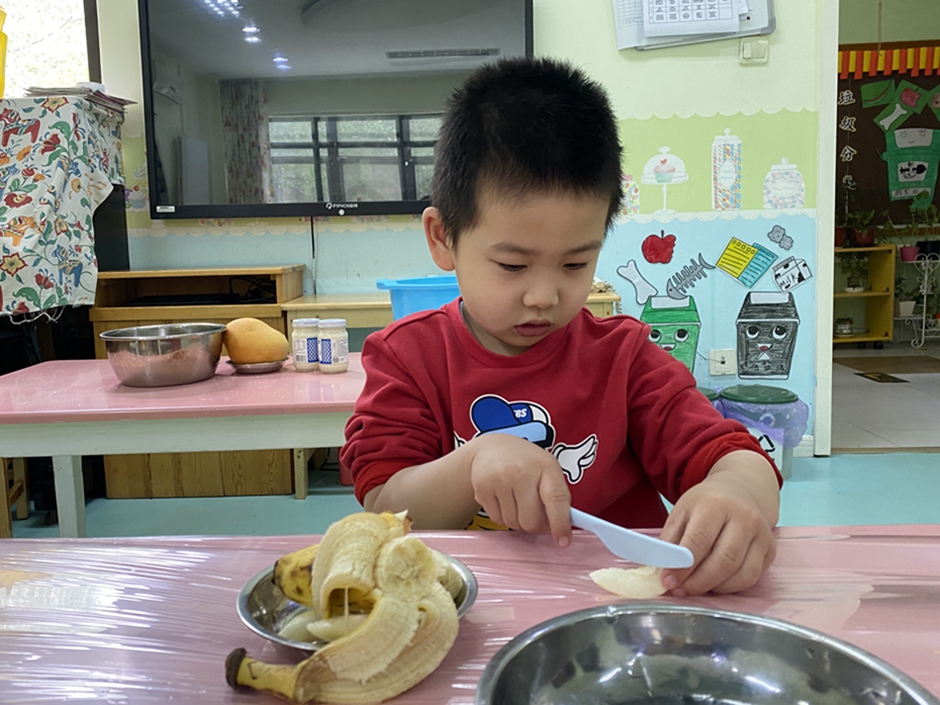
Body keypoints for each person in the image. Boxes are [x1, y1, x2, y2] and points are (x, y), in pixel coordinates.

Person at [342, 57, 781, 596]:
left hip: (614, 612)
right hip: (473, 606)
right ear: (442, 238)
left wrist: (738, 493)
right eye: (512, 265)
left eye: (575, 264)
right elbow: (385, 508)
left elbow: (735, 457)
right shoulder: (409, 356)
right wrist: (474, 462)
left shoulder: (624, 358)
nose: (544, 296)